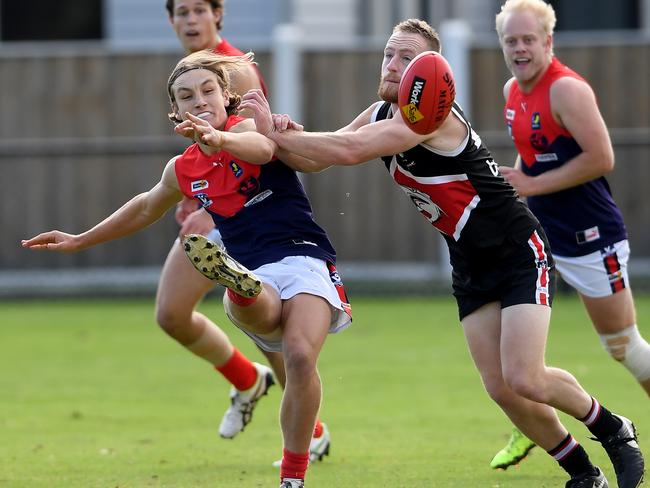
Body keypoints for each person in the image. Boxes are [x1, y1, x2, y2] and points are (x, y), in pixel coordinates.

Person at [237, 18, 645, 488]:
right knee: (502, 389)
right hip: (469, 261)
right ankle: (583, 474)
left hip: (515, 247)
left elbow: (348, 150)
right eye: (389, 53)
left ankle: (614, 429)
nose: (392, 64)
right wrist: (275, 135)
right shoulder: (379, 114)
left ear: (428, 74)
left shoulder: (430, 114)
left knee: (525, 377)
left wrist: (278, 134)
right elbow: (320, 157)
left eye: (407, 58)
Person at [22, 51, 351, 488]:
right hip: (256, 269)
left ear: (225, 97)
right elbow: (143, 209)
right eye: (186, 96)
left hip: (304, 257)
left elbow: (264, 148)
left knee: (299, 355)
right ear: (174, 112)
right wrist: (80, 238)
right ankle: (241, 286)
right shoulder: (182, 170)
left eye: (208, 91)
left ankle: (292, 479)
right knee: (261, 304)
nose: (199, 101)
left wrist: (222, 139)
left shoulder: (248, 127)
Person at [164, 0, 331, 461]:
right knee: (170, 314)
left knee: (274, 327)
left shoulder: (233, 70)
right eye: (182, 12)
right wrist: (188, 195)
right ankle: (247, 380)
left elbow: (256, 143)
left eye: (200, 9)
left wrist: (207, 207)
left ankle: (309, 429)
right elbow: (195, 158)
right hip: (213, 210)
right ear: (171, 21)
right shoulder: (186, 75)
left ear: (219, 15)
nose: (191, 20)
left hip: (247, 213)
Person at [490, 0, 650, 472]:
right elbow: (533, 158)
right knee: (516, 347)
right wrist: (518, 192)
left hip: (591, 237)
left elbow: (602, 158)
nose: (519, 49)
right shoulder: (511, 90)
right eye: (510, 41)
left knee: (624, 347)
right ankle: (534, 428)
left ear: (548, 42)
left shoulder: (566, 90)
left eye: (527, 40)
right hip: (541, 237)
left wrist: (532, 185)